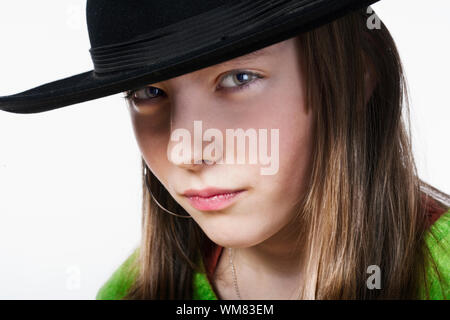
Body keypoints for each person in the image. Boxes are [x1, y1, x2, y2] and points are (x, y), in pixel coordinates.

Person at [1, 1, 448, 300]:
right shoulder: (132, 291)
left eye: (239, 78)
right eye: (149, 91)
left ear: (356, 77)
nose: (186, 150)